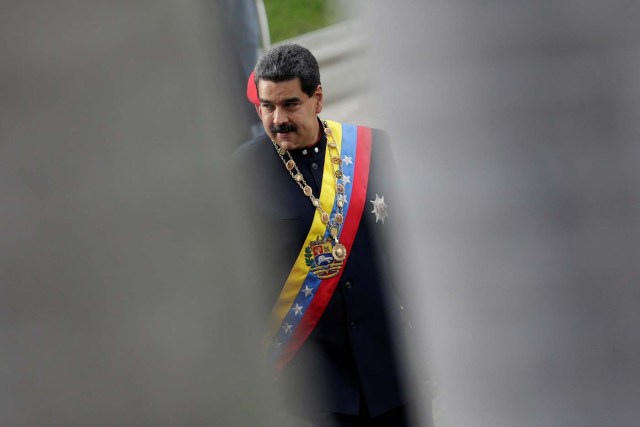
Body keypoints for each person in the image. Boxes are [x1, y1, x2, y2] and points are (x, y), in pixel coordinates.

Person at [233, 44, 424, 426]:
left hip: (391, 371)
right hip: (315, 388)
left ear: (317, 98)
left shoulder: (372, 149)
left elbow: (408, 249)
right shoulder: (241, 173)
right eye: (267, 106)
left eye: (290, 104)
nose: (277, 119)